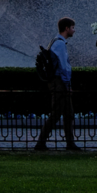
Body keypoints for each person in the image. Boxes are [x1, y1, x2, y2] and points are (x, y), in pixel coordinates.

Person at [34, 17, 81, 152]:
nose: (74, 30)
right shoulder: (60, 44)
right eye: (72, 28)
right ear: (66, 28)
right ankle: (41, 143)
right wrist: (68, 84)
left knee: (68, 113)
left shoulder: (54, 42)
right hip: (60, 83)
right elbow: (64, 66)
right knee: (57, 113)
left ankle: (70, 143)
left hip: (58, 82)